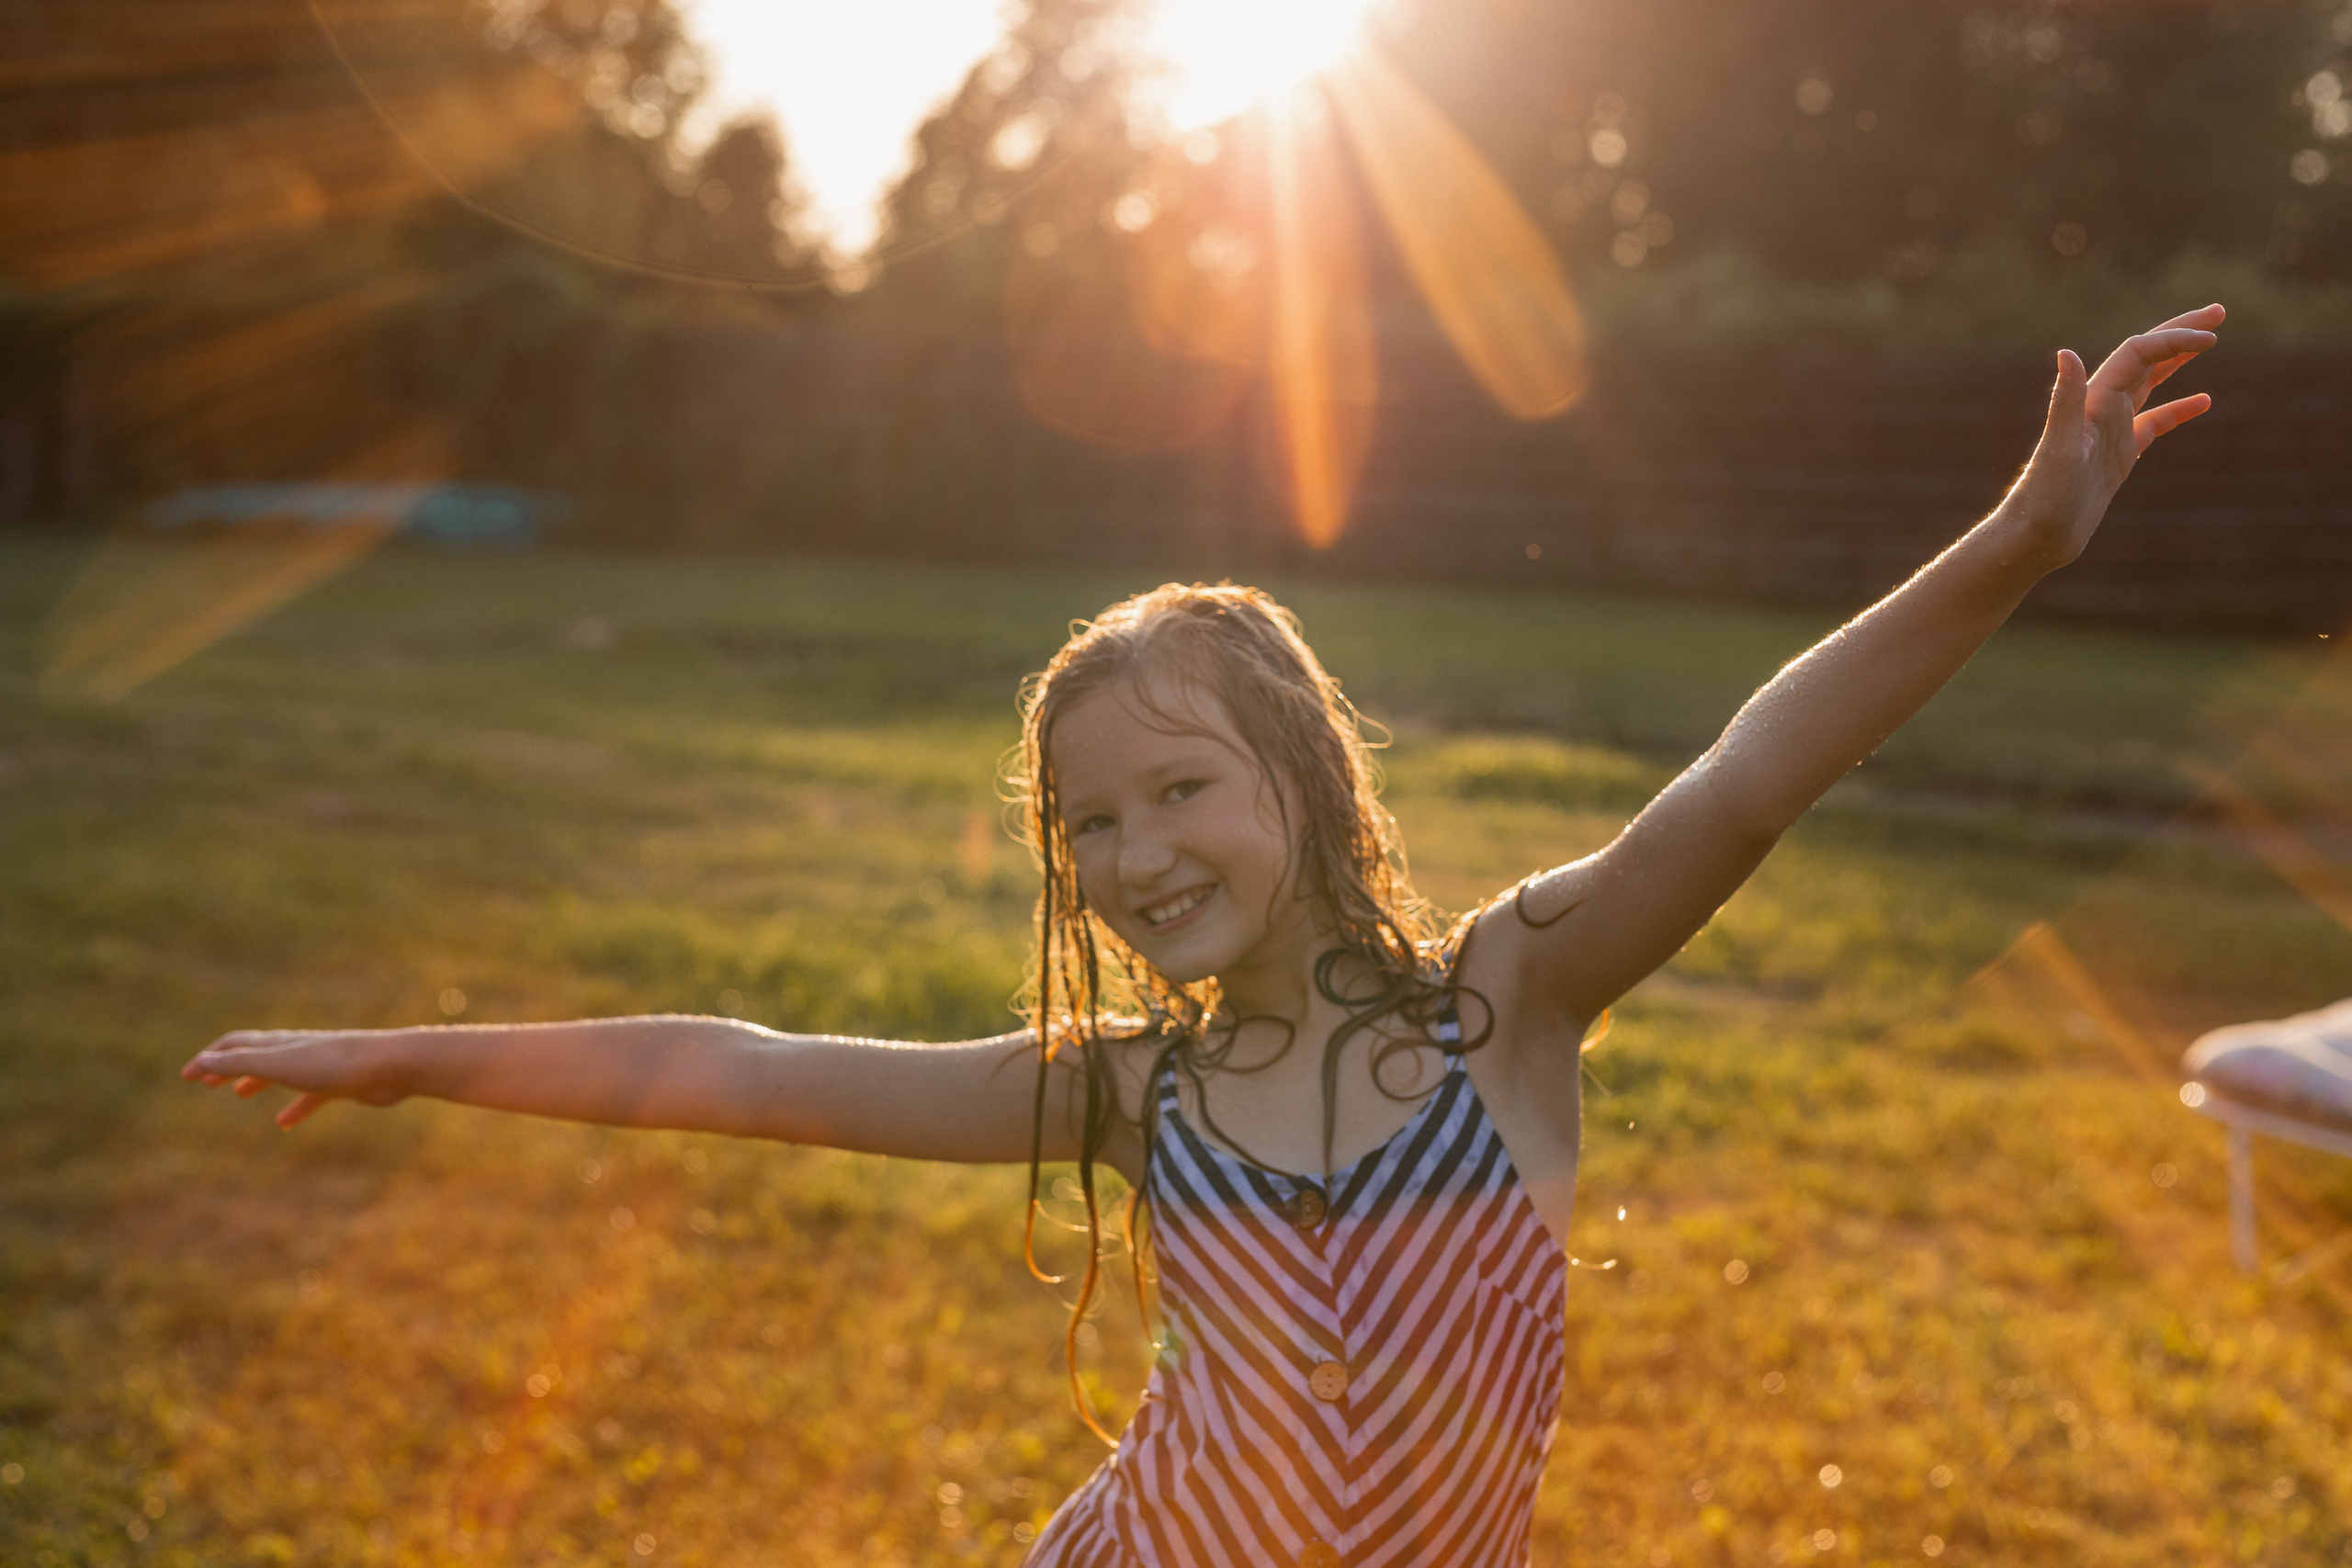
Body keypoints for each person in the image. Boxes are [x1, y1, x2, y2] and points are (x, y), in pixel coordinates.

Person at [185, 306, 2225, 1567]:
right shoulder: (1130, 1093)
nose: (1131, 849)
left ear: (1305, 779)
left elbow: (1745, 769)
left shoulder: (1506, 1003)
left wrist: (2015, 544)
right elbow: (730, 1064)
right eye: (1085, 820)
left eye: (1177, 788)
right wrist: (399, 1054)